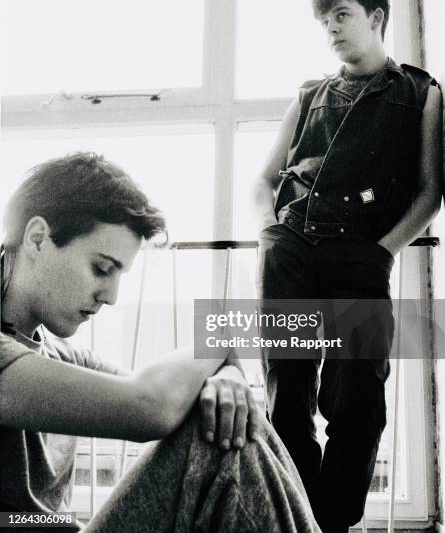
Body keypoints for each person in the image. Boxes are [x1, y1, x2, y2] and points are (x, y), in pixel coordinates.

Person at [0, 152, 320, 532]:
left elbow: (174, 391)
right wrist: (218, 343)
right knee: (222, 439)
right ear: (38, 239)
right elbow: (151, 406)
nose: (111, 296)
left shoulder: (60, 356)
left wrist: (227, 377)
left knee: (225, 423)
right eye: (101, 268)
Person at [252, 0, 442, 532]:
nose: (331, 29)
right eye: (324, 21)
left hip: (360, 260)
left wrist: (381, 251)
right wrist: (271, 231)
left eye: (342, 15)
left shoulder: (421, 92)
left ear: (376, 18)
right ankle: (296, 516)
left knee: (358, 398)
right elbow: (264, 178)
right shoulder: (310, 95)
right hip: (290, 254)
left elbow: (431, 192)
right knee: (287, 395)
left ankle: (335, 521)